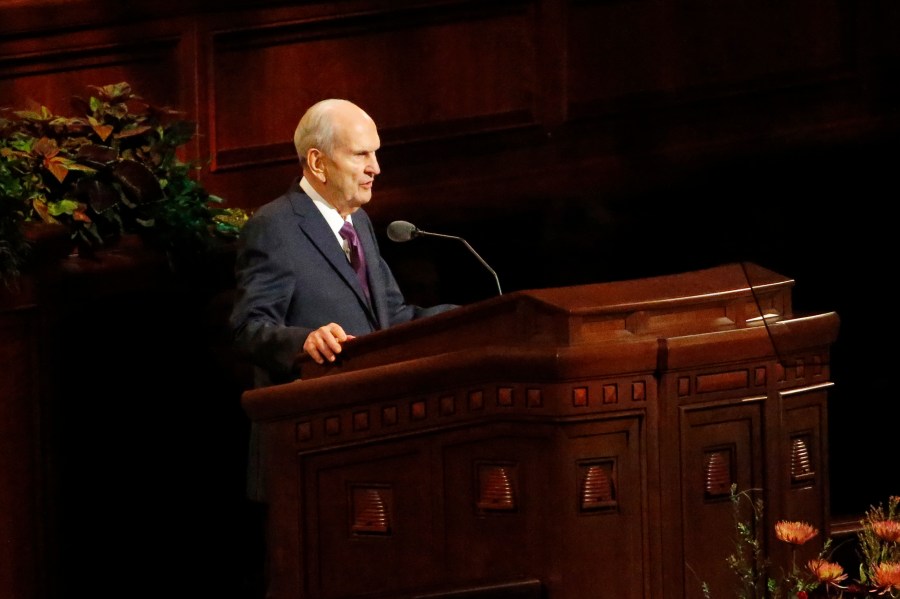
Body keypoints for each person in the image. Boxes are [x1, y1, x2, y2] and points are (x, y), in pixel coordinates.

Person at [229, 98, 458, 389]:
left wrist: (461, 320)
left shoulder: (358, 222)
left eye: (375, 153)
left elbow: (390, 318)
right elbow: (248, 329)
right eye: (361, 154)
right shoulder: (276, 225)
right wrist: (306, 341)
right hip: (312, 414)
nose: (375, 168)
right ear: (317, 162)